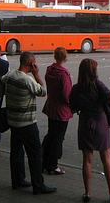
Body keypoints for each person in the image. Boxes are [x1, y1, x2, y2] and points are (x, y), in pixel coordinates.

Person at [0, 51, 56, 194]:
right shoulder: (27, 80)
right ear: (31, 64)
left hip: (13, 120)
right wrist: (37, 75)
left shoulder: (10, 75)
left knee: (16, 152)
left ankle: (17, 181)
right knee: (35, 155)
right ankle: (38, 185)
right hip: (27, 123)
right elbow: (43, 91)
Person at [69, 58, 110, 202]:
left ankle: (88, 193)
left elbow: (72, 106)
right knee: (106, 158)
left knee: (87, 159)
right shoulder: (98, 84)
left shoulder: (77, 88)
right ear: (93, 71)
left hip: (85, 122)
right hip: (100, 121)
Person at [42, 47, 73, 175]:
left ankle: (44, 160)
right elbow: (67, 95)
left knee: (51, 134)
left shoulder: (50, 70)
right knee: (58, 137)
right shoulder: (63, 73)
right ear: (65, 57)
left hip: (51, 107)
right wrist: (73, 105)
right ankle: (53, 165)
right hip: (61, 110)